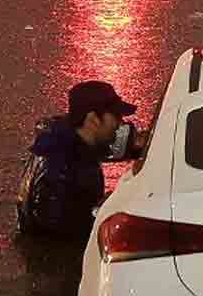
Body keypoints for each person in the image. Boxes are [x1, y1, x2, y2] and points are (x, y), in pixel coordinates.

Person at [15, 80, 142, 238]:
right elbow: (63, 230)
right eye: (116, 116)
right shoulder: (59, 167)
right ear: (93, 119)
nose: (119, 124)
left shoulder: (66, 144)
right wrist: (108, 209)